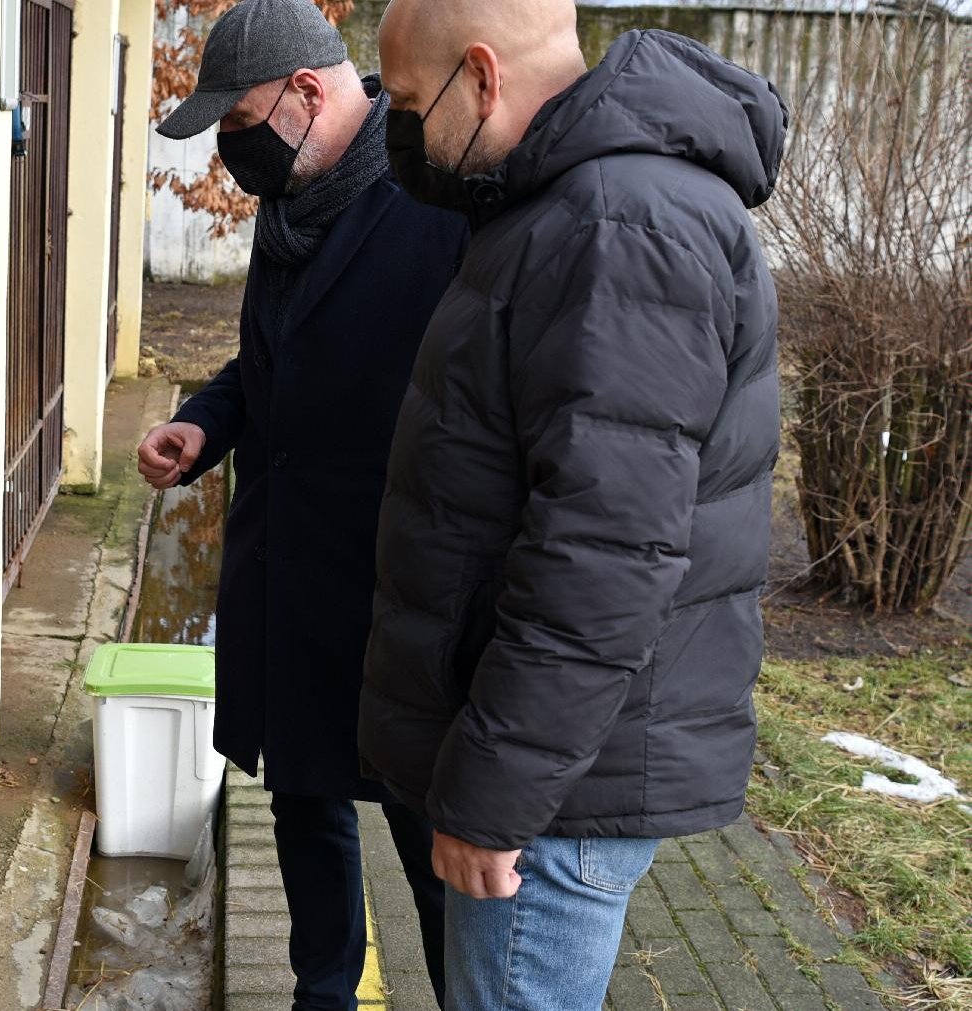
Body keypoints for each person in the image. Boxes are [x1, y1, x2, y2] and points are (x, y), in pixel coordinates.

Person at [358, 0, 787, 1007]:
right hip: (555, 773)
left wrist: (496, 800)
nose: (404, 134)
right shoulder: (565, 205)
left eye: (413, 105)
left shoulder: (614, 224)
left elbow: (602, 550)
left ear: (481, 77)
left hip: (555, 798)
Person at [140, 0, 467, 1006]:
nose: (231, 155)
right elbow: (273, 362)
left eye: (238, 125)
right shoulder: (294, 207)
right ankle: (321, 989)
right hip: (289, 574)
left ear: (309, 92)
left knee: (430, 832)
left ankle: (469, 989)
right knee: (304, 801)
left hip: (394, 587)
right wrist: (204, 421)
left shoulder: (437, 198)